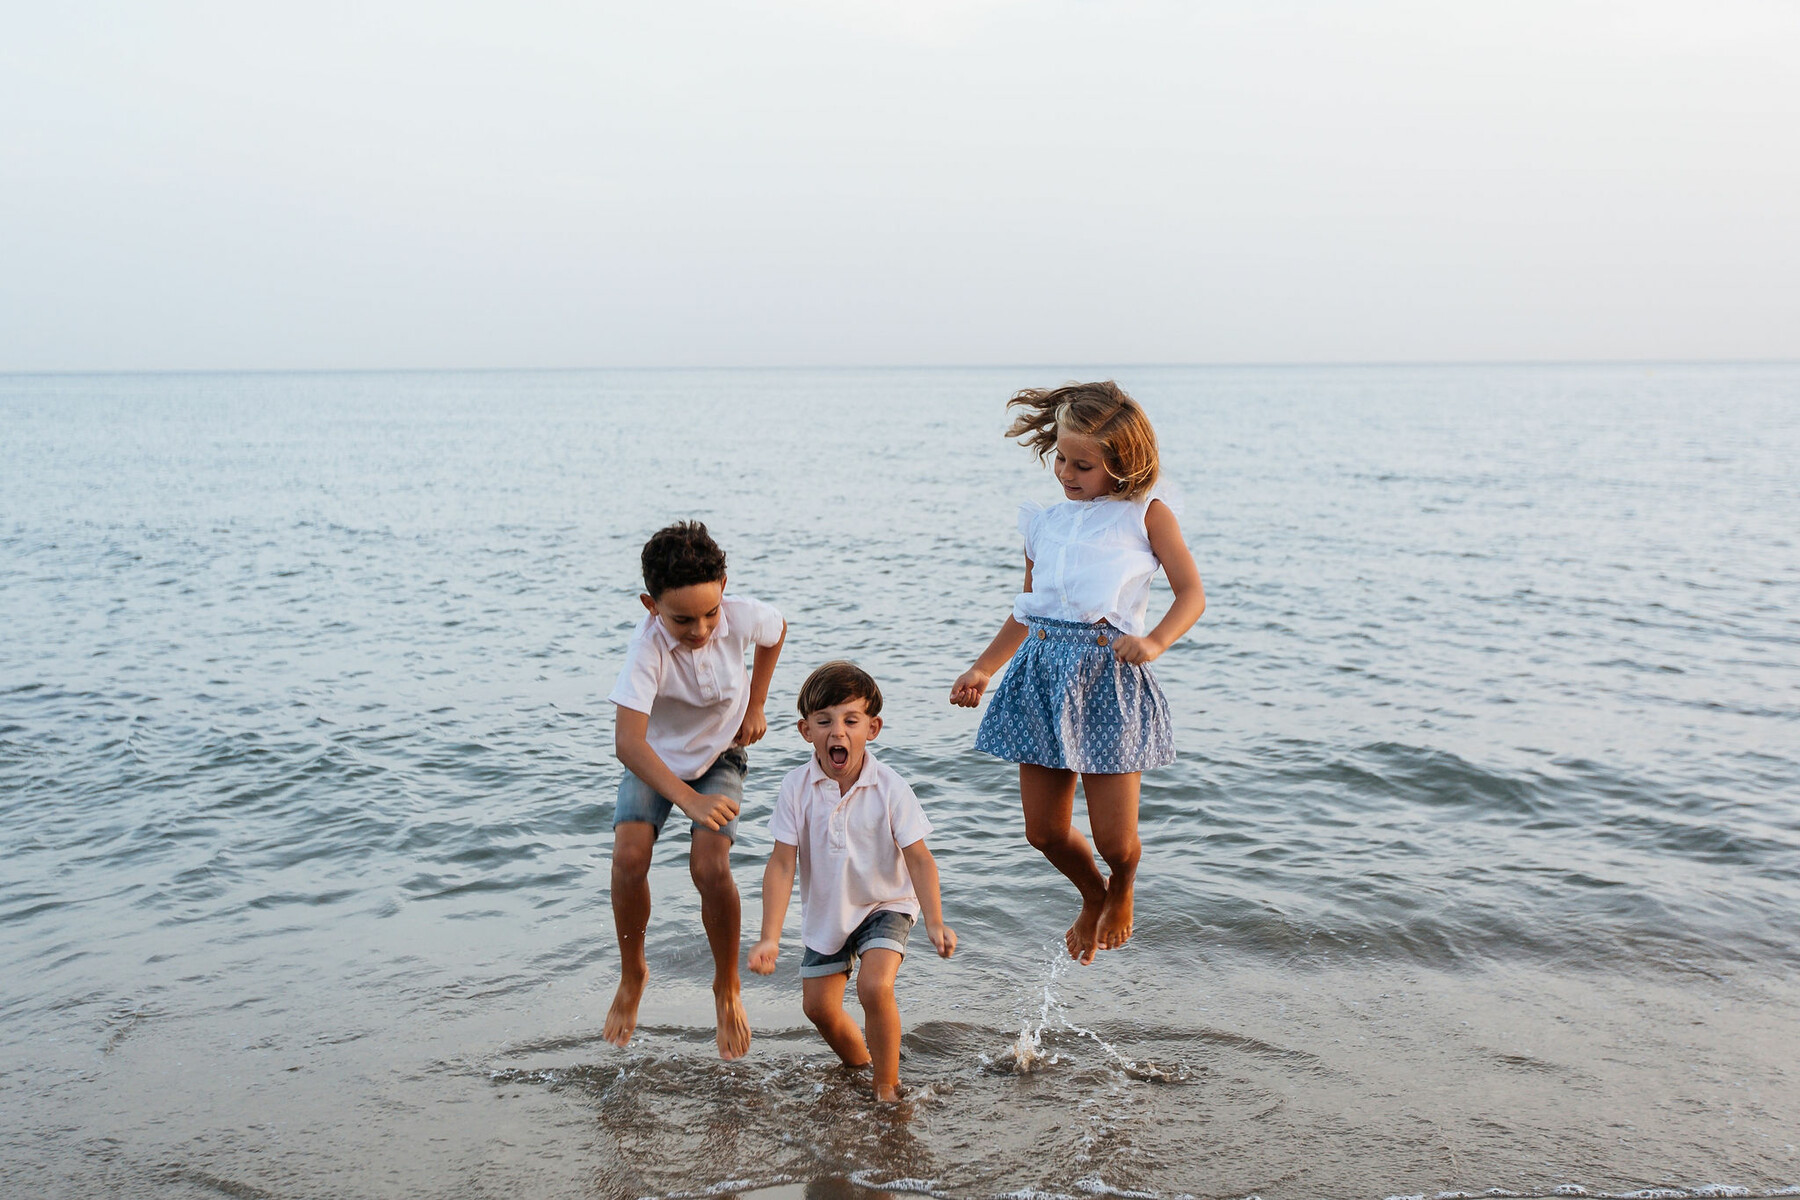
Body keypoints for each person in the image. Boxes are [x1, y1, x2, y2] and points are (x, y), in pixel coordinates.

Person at [950, 381, 1204, 965]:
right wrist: (984, 667)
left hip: (1107, 676)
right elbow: (1027, 609)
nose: (1066, 471)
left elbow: (1192, 594)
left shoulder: (1148, 513)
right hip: (1038, 673)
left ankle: (1122, 887)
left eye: (1083, 464)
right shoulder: (1044, 523)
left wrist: (1156, 640)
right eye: (1061, 458)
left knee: (1116, 839)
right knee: (1041, 831)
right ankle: (1093, 893)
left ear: (1123, 463)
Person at [606, 520, 786, 1059]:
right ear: (650, 605)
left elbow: (776, 633)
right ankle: (634, 972)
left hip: (720, 753)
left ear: (724, 588)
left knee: (709, 866)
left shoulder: (739, 615)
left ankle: (726, 986)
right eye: (682, 619)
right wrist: (688, 800)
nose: (701, 629)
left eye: (710, 613)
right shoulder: (648, 649)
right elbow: (628, 744)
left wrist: (756, 704)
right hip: (655, 760)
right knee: (630, 855)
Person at [748, 661, 956, 1102]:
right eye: (823, 722)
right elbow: (782, 864)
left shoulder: (890, 787)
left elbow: (919, 859)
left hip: (886, 902)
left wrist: (936, 921)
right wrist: (769, 937)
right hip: (830, 910)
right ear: (806, 731)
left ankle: (887, 1087)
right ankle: (861, 1066)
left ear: (872, 728)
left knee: (874, 986)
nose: (836, 732)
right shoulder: (795, 787)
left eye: (850, 720)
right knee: (818, 1008)